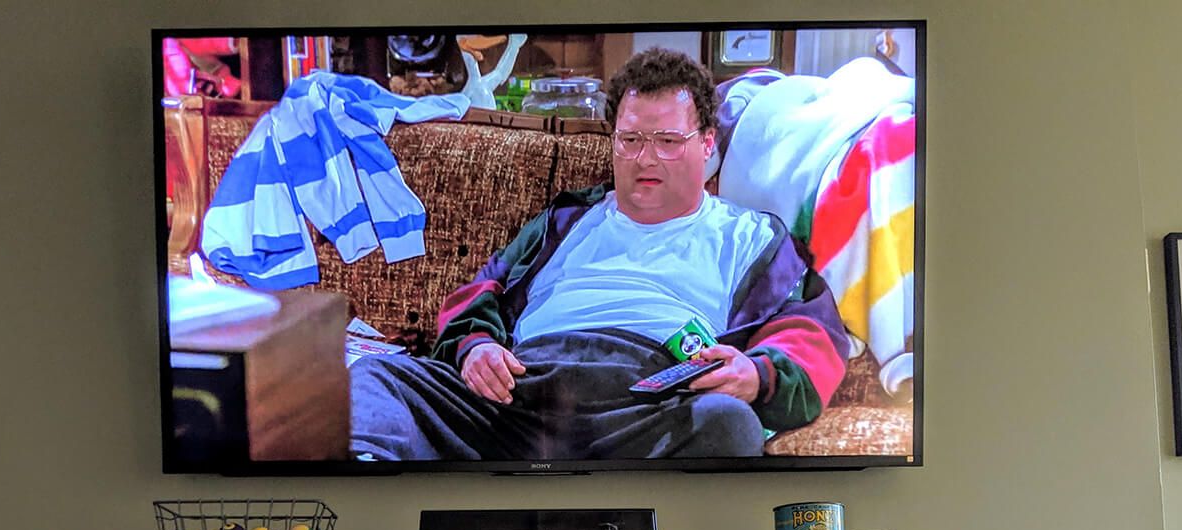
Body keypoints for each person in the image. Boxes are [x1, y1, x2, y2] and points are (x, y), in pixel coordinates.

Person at [349, 47, 849, 461]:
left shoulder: (751, 236)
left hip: (649, 405)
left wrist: (757, 375)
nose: (645, 158)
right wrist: (475, 346)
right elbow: (481, 292)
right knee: (376, 377)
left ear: (706, 144)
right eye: (630, 140)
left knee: (727, 424)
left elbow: (811, 335)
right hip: (518, 398)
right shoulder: (566, 219)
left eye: (668, 141)